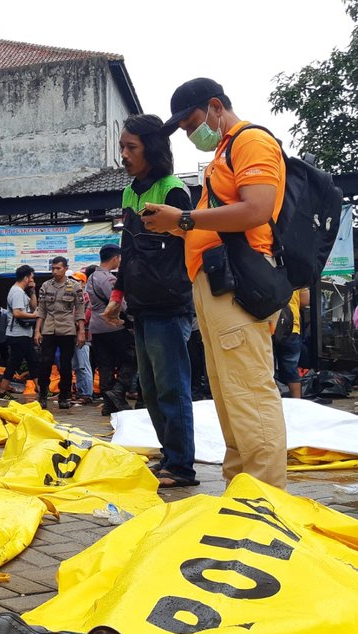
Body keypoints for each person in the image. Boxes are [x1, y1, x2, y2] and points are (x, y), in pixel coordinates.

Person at [143, 77, 288, 489]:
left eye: (191, 124)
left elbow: (257, 208)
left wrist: (185, 220)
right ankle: (242, 488)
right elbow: (218, 223)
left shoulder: (251, 142)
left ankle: (265, 497)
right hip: (214, 283)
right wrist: (175, 227)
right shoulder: (224, 154)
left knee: (248, 392)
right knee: (229, 395)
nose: (190, 135)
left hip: (236, 283)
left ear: (215, 106)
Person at [102, 113, 197, 488]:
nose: (123, 154)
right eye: (122, 146)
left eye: (131, 147)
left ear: (151, 150)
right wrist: (117, 295)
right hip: (140, 307)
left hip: (170, 305)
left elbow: (187, 246)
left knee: (173, 387)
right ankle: (170, 456)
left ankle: (182, 466)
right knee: (152, 389)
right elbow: (128, 250)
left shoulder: (174, 190)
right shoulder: (129, 193)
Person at [86, 244, 136, 414]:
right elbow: (118, 303)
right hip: (113, 326)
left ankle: (109, 405)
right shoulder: (108, 279)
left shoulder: (92, 277)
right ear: (115, 258)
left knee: (105, 365)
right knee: (132, 358)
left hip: (96, 327)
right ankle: (118, 391)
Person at [34, 256, 86, 409]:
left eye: (58, 268)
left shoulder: (75, 286)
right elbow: (41, 309)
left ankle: (64, 396)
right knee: (45, 363)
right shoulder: (45, 286)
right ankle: (43, 394)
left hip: (67, 329)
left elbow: (80, 311)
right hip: (49, 328)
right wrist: (37, 331)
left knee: (65, 365)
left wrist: (81, 331)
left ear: (65, 268)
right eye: (53, 268)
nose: (55, 271)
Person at [0, 265, 38, 402]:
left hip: (23, 334)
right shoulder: (17, 292)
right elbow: (17, 312)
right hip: (17, 334)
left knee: (31, 361)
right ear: (26, 277)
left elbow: (33, 306)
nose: (32, 280)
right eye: (31, 277)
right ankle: (2, 392)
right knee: (16, 362)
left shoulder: (22, 292)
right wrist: (35, 316)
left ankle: (42, 389)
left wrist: (32, 291)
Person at [273, 288, 309, 399]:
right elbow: (305, 301)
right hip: (291, 326)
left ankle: (272, 400)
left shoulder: (264, 271)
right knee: (291, 367)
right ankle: (297, 401)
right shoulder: (296, 275)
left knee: (267, 366)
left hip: (267, 326)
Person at [70, 270, 94, 404]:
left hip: (83, 336)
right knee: (78, 366)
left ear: (83, 283)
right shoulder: (75, 298)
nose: (73, 283)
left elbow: (86, 317)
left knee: (83, 365)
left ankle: (86, 394)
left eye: (76, 281)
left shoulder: (86, 298)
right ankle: (81, 392)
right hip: (74, 335)